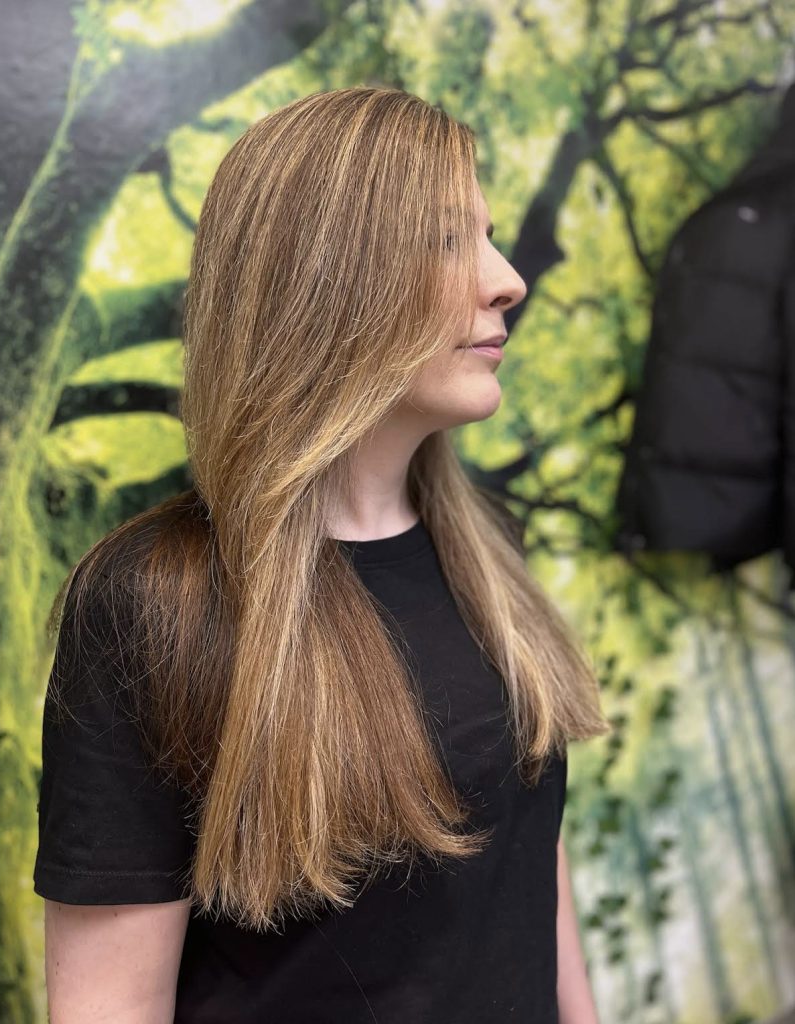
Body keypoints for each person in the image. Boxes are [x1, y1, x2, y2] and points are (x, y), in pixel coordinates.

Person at [34, 86, 611, 1023]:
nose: (506, 279)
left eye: (488, 235)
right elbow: (109, 1006)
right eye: (446, 239)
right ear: (324, 279)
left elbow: (527, 871)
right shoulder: (153, 603)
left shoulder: (484, 550)